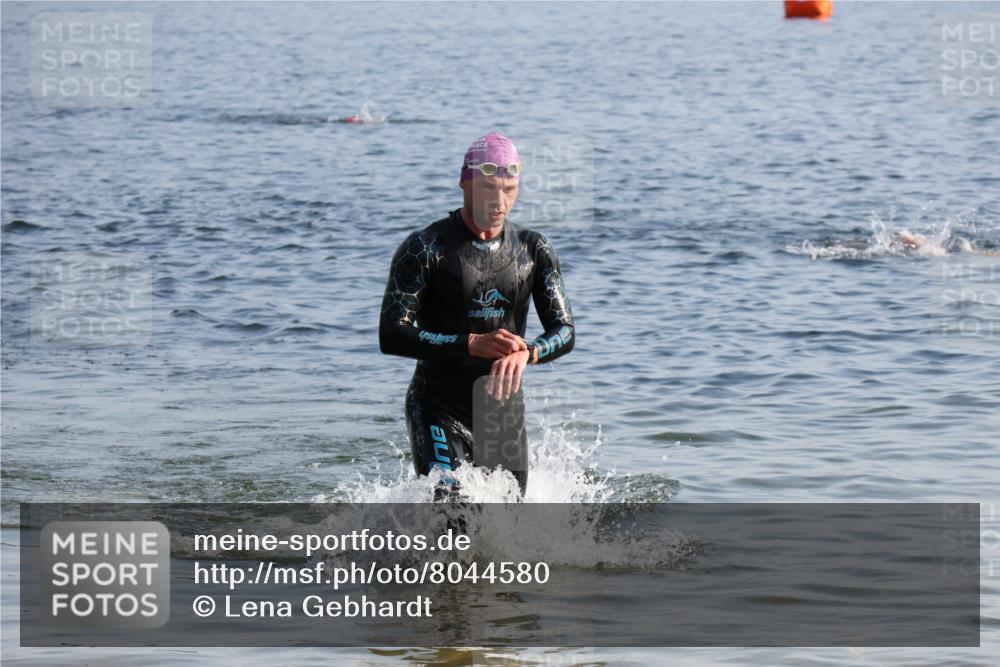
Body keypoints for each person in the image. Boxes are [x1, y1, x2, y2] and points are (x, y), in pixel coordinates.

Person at [379, 132, 575, 501]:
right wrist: (470, 343)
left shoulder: (534, 249)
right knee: (451, 507)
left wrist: (528, 352)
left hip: (502, 413)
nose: (499, 201)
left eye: (509, 189)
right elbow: (391, 333)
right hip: (438, 405)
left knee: (505, 531)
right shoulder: (425, 247)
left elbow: (564, 331)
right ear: (464, 183)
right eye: (488, 188)